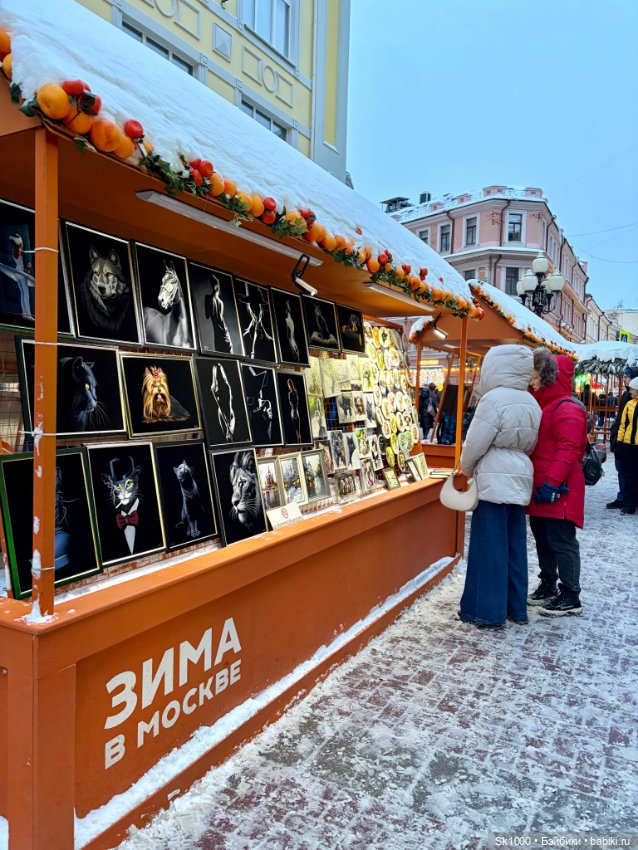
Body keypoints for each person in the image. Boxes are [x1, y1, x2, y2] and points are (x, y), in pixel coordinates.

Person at [457, 344, 541, 630]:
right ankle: (515, 608)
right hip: (519, 476)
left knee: (488, 546)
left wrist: (465, 468)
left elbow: (476, 443)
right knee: (514, 546)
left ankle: (486, 611)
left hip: (493, 477)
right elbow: (531, 443)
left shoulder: (492, 400)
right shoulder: (531, 401)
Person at [527, 349, 588, 617]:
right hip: (543, 489)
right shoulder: (545, 404)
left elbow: (568, 450)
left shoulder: (567, 408)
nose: (533, 381)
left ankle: (571, 594)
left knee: (562, 540)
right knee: (542, 537)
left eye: (538, 375)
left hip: (559, 489)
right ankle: (548, 584)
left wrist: (552, 484)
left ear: (551, 376)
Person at [607, 366, 638, 509]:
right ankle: (623, 498)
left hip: (632, 442)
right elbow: (621, 420)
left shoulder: (631, 397)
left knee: (629, 472)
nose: (624, 378)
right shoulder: (627, 396)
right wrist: (617, 439)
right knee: (622, 470)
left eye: (627, 376)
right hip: (623, 440)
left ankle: (628, 499)